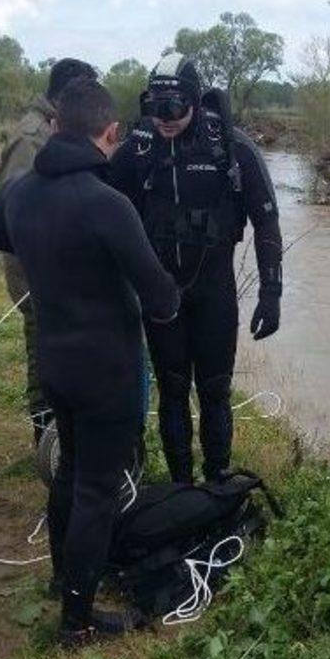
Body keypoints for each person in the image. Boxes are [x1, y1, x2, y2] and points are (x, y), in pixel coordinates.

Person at [0, 77, 180, 646]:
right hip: (106, 371)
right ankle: (78, 621)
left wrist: (45, 248)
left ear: (56, 126)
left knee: (69, 472)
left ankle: (66, 580)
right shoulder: (106, 204)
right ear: (110, 133)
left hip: (55, 362)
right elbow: (160, 299)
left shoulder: (22, 194)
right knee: (96, 490)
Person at [110, 54, 283, 484]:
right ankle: (181, 486)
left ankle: (217, 483)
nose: (165, 119)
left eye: (175, 108)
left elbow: (266, 219)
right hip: (161, 291)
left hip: (214, 290)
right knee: (171, 390)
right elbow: (103, 208)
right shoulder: (139, 147)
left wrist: (271, 293)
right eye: (156, 108)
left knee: (214, 390)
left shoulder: (230, 145)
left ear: (194, 100)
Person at [0, 57, 97, 445]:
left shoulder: (57, 130)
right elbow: (14, 207)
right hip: (35, 272)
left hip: (57, 269)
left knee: (63, 356)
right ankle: (48, 446)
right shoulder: (31, 136)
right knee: (44, 358)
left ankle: (63, 442)